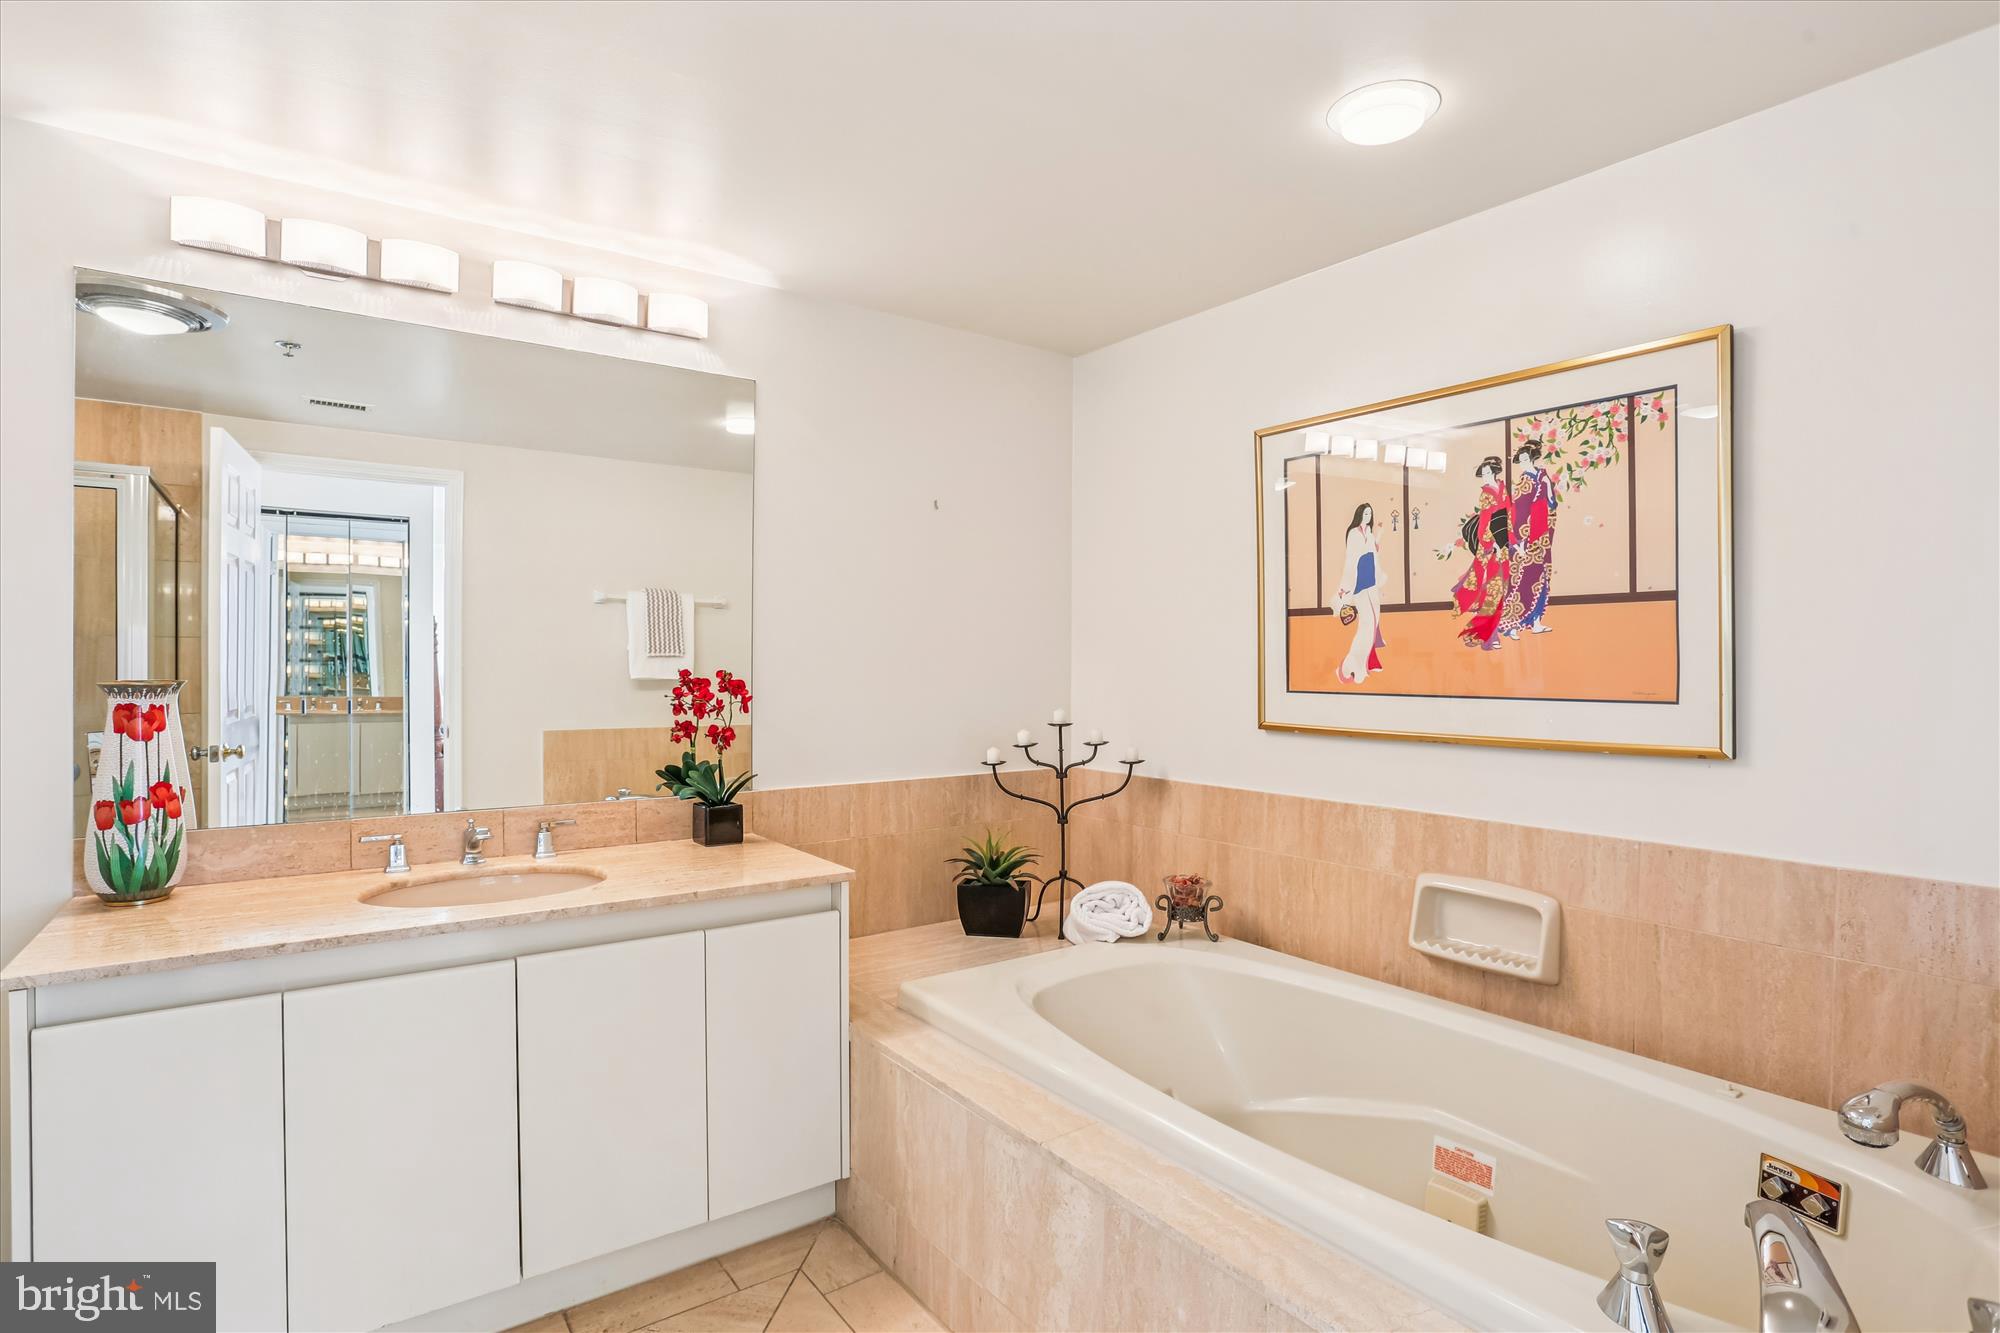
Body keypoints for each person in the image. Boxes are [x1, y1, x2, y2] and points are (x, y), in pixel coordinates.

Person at [1452, 457, 1511, 651]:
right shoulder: (1486, 494)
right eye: (1482, 474)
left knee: (1500, 591)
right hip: (1492, 546)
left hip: (1503, 544)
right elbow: (1485, 521)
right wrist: (1489, 543)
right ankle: (1487, 635)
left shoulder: (1502, 488)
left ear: (1494, 472)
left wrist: (1511, 541)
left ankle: (1490, 632)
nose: (1484, 477)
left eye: (1487, 473)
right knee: (1494, 592)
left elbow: (1509, 515)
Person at [1501, 440, 1559, 638]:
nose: (1523, 463)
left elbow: (1552, 503)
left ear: (1533, 459)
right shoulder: (1524, 481)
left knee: (1541, 578)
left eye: (1526, 459)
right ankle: (1512, 625)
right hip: (1525, 534)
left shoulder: (1543, 477)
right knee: (1522, 581)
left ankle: (1536, 621)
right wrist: (1518, 540)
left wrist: (1546, 485)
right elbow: (1519, 512)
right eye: (1521, 460)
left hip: (1542, 533)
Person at [1333, 503, 1385, 683]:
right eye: (1365, 513)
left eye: (1370, 513)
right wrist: (1346, 589)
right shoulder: (1354, 533)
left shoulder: (1369, 532)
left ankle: (1368, 661)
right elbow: (1351, 559)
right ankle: (1350, 666)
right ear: (1359, 515)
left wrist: (1378, 535)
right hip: (1360, 582)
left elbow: (1374, 551)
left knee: (1375, 620)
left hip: (1371, 580)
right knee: (1367, 624)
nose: (1368, 516)